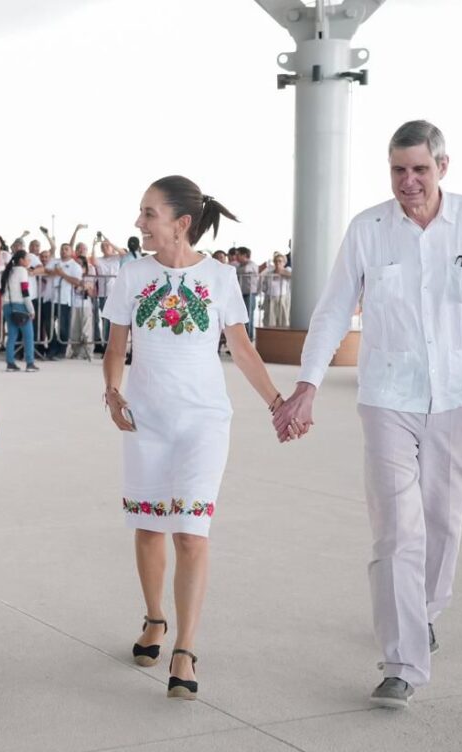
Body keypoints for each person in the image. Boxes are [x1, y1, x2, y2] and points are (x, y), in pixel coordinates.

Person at [273, 120, 462, 709]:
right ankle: (402, 663)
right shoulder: (369, 229)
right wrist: (307, 384)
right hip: (388, 397)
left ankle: (425, 611)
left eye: (418, 169)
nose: (408, 182)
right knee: (396, 529)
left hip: (460, 396)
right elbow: (334, 310)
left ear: (443, 166)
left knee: (442, 520)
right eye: (398, 170)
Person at [102, 175, 286, 702]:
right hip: (146, 419)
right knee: (148, 528)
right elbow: (117, 346)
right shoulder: (132, 275)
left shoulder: (222, 278)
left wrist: (277, 402)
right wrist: (111, 392)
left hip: (204, 420)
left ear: (181, 223)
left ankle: (185, 648)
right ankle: (155, 619)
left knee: (190, 531)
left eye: (149, 214)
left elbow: (243, 351)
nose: (140, 223)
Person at [1, 250, 39, 372]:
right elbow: (25, 292)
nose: (29, 261)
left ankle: (10, 363)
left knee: (12, 335)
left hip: (7, 305)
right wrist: (31, 309)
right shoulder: (22, 271)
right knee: (28, 336)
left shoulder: (9, 271)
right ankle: (30, 363)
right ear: (21, 260)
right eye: (27, 258)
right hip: (20, 306)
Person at [234, 247, 259, 341]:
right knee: (242, 316)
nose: (236, 257)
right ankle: (244, 339)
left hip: (250, 293)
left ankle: (249, 338)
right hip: (242, 293)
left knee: (248, 316)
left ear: (245, 255)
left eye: (238, 254)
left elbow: (244, 271)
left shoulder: (251, 265)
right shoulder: (239, 266)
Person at [260, 252, 292, 327]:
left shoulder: (288, 270)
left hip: (282, 298)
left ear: (284, 263)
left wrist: (282, 272)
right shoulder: (269, 273)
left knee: (283, 320)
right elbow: (263, 284)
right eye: (276, 261)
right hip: (270, 298)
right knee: (269, 320)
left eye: (280, 261)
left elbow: (293, 276)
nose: (277, 263)